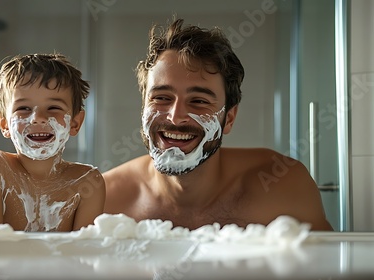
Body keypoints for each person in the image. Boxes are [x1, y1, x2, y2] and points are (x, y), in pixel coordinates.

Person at [103, 18, 333, 231]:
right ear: (143, 109)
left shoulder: (283, 186)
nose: (175, 117)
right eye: (161, 98)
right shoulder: (106, 198)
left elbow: (331, 271)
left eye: (199, 101)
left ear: (229, 119)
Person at [0, 53, 105, 232]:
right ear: (4, 123)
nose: (38, 118)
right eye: (23, 108)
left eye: (54, 108)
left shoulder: (87, 181)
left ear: (75, 123)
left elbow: (84, 256)